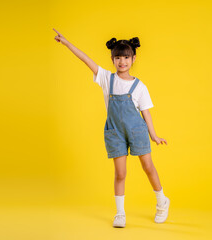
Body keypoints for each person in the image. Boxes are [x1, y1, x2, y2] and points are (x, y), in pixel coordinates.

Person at [53, 28, 170, 228]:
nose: (122, 61)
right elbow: (85, 59)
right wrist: (66, 43)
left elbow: (146, 113)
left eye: (126, 57)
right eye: (118, 57)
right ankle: (120, 214)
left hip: (137, 131)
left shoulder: (140, 87)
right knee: (120, 174)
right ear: (112, 59)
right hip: (115, 132)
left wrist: (154, 135)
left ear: (133, 59)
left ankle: (162, 201)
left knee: (148, 167)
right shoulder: (107, 78)